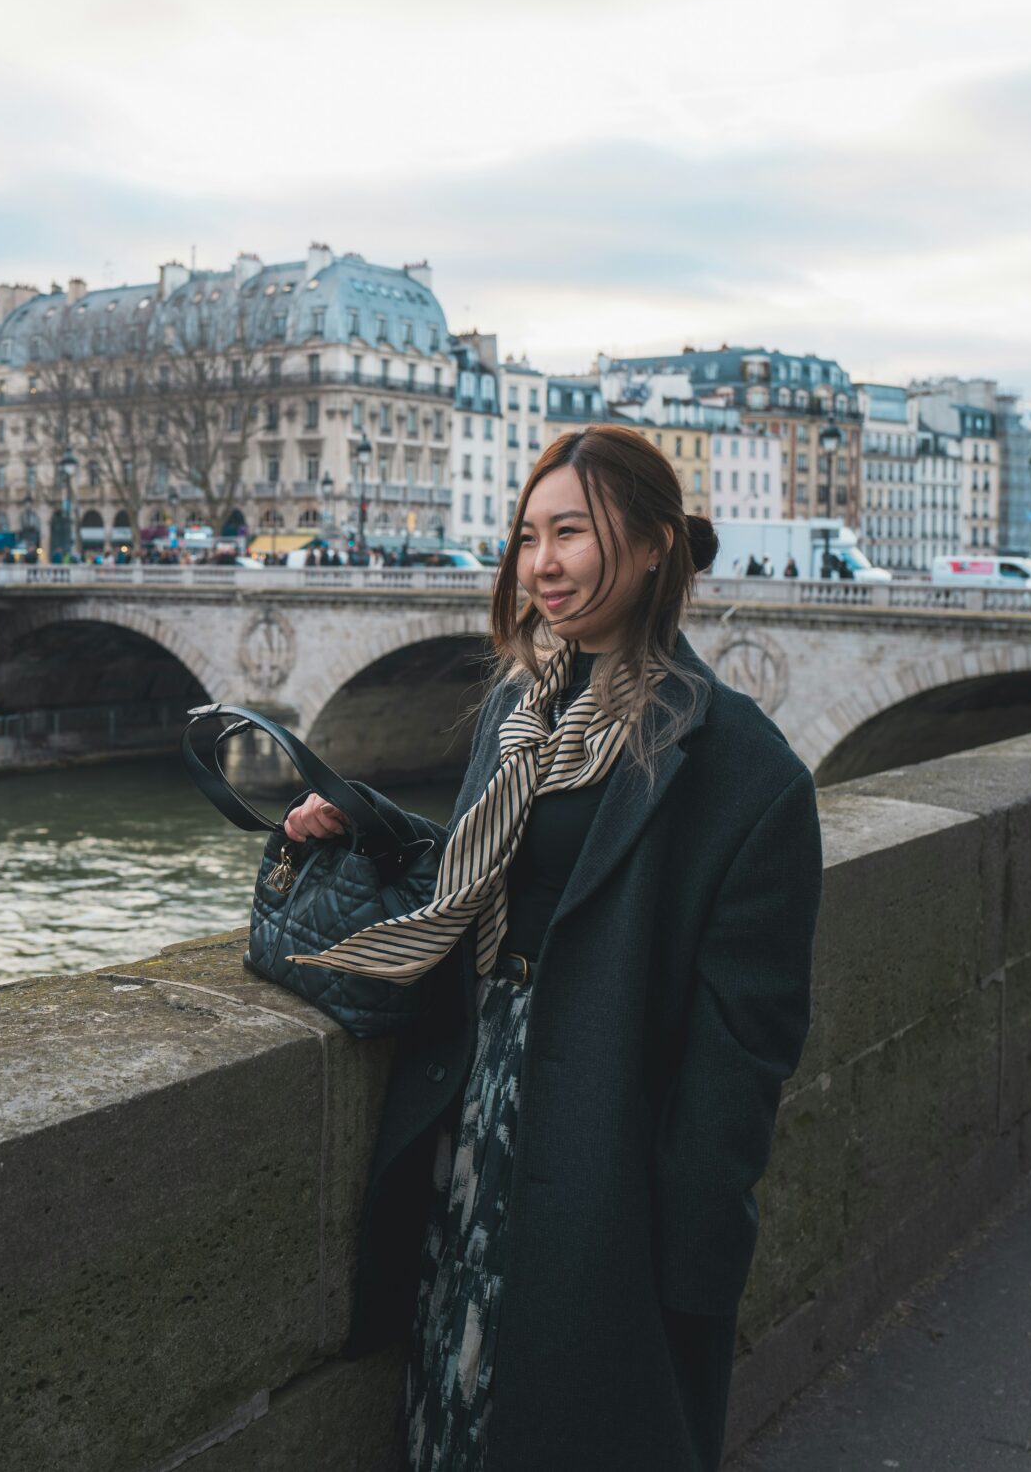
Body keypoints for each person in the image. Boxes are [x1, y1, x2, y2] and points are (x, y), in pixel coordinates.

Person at [281, 423, 823, 1470]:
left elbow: (745, 1051)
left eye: (570, 532)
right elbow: (494, 874)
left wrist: (693, 1258)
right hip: (473, 1113)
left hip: (602, 1155)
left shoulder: (745, 773)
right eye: (528, 537)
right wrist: (363, 827)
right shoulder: (521, 709)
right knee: (457, 1400)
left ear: (659, 540)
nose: (542, 565)